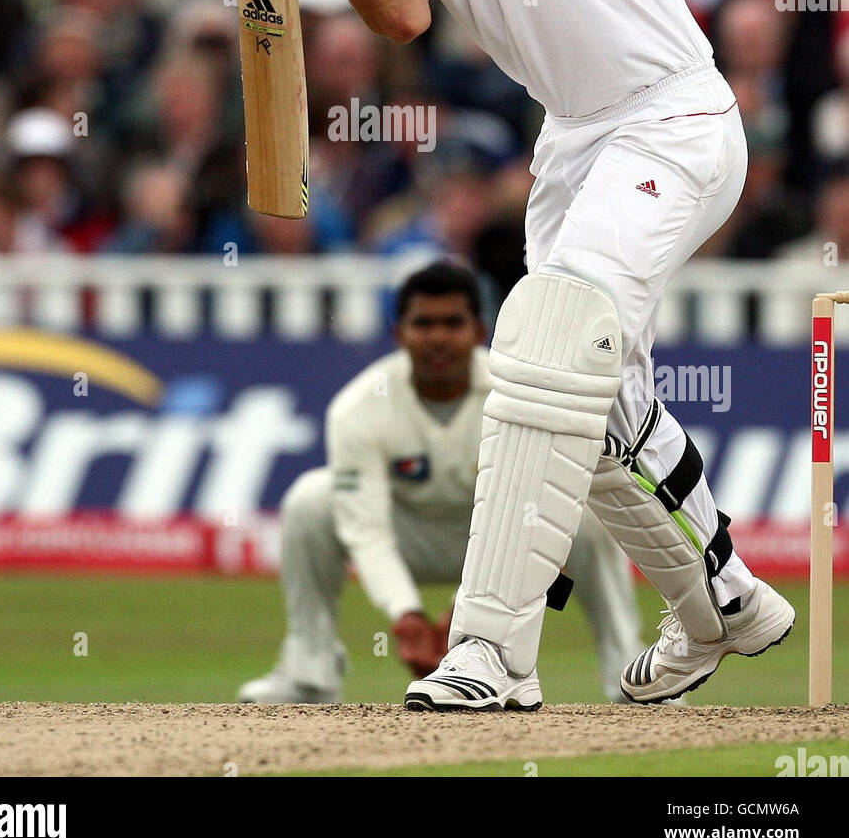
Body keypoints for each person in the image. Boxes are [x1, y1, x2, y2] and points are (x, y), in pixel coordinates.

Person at [184, 0, 795, 712]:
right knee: (593, 403)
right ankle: (725, 604)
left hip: (671, 113)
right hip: (573, 140)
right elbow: (402, 13)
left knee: (544, 338)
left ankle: (493, 655)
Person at [239, 261, 641, 705]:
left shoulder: (516, 395)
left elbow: (541, 507)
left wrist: (467, 610)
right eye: (423, 324)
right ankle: (308, 673)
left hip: (501, 544)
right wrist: (405, 614)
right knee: (311, 501)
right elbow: (366, 529)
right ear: (399, 334)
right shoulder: (358, 406)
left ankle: (628, 676)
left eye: (452, 323)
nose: (437, 338)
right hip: (408, 537)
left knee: (585, 511)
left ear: (479, 332)